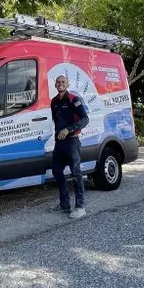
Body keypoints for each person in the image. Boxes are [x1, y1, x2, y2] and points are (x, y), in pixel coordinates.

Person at [49, 74, 89, 219]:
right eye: (58, 82)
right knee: (56, 171)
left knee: (76, 173)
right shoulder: (53, 102)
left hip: (72, 141)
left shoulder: (74, 99)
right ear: (55, 85)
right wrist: (59, 133)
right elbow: (57, 120)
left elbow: (85, 119)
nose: (60, 84)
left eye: (63, 82)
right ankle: (64, 204)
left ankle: (80, 206)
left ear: (67, 84)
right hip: (59, 143)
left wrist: (69, 129)